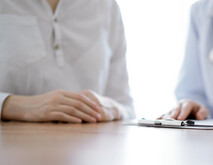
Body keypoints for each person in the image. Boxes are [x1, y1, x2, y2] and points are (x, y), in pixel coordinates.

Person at [0, 0, 135, 123]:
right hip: (12, 145)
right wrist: (13, 105)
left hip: (88, 146)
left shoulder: (106, 6)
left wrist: (113, 108)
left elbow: (126, 107)